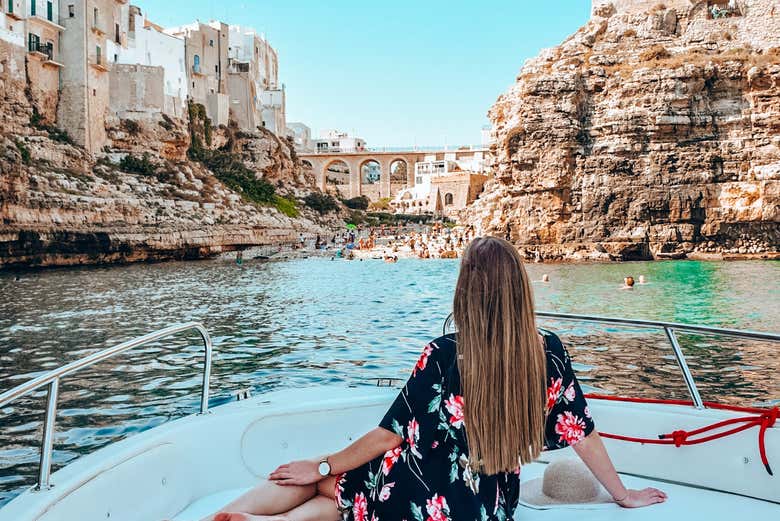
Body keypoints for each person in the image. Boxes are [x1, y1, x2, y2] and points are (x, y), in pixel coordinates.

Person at [200, 238, 665, 521]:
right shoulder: (549, 351)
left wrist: (322, 465)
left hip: (419, 496)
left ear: (466, 288)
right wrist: (622, 494)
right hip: (487, 508)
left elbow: (388, 435)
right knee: (346, 497)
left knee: (320, 477)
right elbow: (580, 432)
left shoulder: (443, 355)